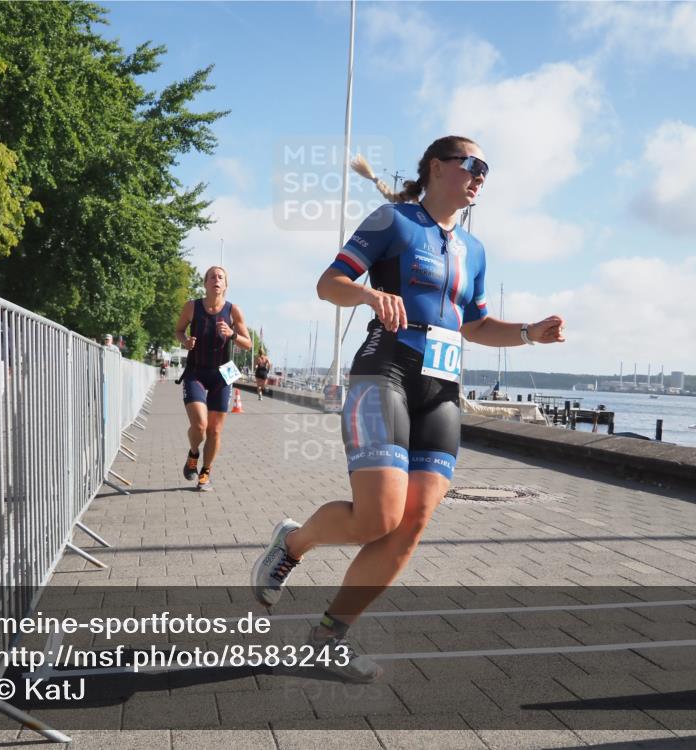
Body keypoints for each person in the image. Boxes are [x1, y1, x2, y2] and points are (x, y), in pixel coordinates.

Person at [251, 135, 565, 682]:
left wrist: (528, 333)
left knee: (412, 521)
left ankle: (327, 640)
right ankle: (293, 544)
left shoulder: (475, 249)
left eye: (486, 169)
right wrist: (369, 295)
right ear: (437, 167)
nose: (480, 176)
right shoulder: (393, 221)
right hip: (386, 372)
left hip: (441, 388)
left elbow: (474, 325)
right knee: (379, 517)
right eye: (472, 164)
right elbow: (329, 284)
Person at [174, 266, 252, 491]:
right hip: (196, 371)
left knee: (215, 430)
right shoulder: (192, 307)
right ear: (205, 283)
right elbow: (179, 331)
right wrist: (185, 341)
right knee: (200, 425)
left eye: (221, 277)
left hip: (223, 372)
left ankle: (205, 473)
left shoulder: (233, 310)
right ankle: (193, 454)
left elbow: (248, 343)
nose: (216, 280)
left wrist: (232, 334)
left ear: (225, 285)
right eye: (212, 277)